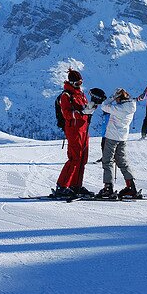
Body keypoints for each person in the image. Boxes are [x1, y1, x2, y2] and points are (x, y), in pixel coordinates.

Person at [53, 69, 95, 198]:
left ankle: (76, 185)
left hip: (83, 129)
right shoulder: (66, 95)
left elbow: (86, 108)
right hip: (73, 129)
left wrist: (93, 106)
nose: (79, 85)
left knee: (83, 158)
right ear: (71, 82)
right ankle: (62, 185)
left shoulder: (81, 94)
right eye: (77, 83)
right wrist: (80, 113)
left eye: (81, 82)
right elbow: (67, 114)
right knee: (74, 158)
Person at [97, 88, 141, 199]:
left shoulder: (117, 108)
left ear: (119, 98)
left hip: (111, 137)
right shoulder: (131, 106)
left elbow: (103, 105)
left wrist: (112, 96)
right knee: (122, 161)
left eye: (117, 99)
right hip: (123, 138)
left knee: (107, 161)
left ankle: (108, 187)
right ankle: (131, 187)